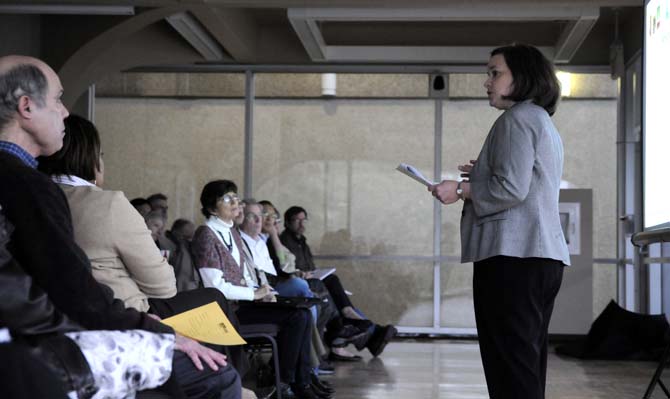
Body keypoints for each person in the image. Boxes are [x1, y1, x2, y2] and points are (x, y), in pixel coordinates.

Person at [0, 55, 240, 399]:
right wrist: (161, 334)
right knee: (215, 375)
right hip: (45, 346)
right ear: (26, 107)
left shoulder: (27, 181)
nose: (66, 111)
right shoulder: (29, 186)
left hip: (35, 337)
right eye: (57, 99)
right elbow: (77, 296)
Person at [38, 114, 248, 378]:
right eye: (100, 154)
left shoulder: (38, 197)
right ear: (90, 157)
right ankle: (234, 381)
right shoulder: (108, 204)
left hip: (70, 317)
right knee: (214, 300)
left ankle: (231, 379)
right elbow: (164, 286)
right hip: (125, 314)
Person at [429, 43, 570, 399]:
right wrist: (483, 175)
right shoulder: (541, 121)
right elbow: (529, 182)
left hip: (513, 257)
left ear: (522, 77)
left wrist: (461, 190)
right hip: (541, 256)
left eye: (495, 73)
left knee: (509, 367)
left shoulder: (517, 118)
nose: (486, 82)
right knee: (525, 364)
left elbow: (510, 189)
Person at [191, 180, 331, 399]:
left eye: (235, 197)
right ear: (211, 207)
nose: (235, 202)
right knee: (296, 317)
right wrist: (253, 294)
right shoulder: (206, 234)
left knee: (302, 312)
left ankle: (300, 381)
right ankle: (284, 384)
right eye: (228, 198)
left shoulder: (231, 232)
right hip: (226, 313)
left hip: (244, 305)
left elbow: (244, 275)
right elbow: (214, 287)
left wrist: (263, 292)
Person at [280, 205, 397, 357]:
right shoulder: (284, 241)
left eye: (304, 220)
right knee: (337, 295)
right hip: (299, 283)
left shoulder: (302, 242)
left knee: (336, 290)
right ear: (287, 223)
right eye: (297, 220)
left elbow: (310, 266)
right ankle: (362, 331)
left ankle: (368, 335)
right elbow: (286, 267)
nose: (302, 224)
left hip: (312, 279)